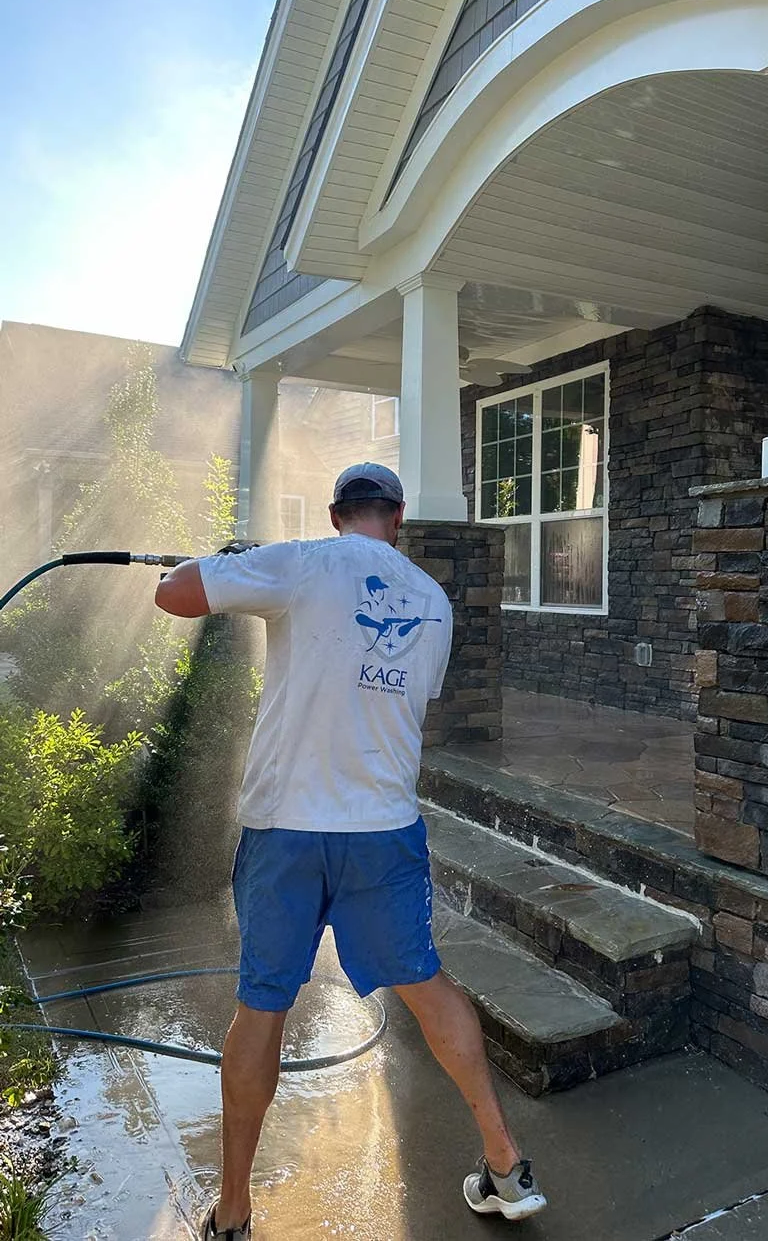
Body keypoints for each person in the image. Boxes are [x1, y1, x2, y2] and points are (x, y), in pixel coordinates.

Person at [154, 463, 547, 1239]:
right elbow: (401, 695)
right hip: (382, 831)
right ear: (396, 517)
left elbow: (173, 593)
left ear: (337, 513)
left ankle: (233, 1209)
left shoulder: (298, 560)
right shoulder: (431, 602)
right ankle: (504, 1164)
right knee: (427, 986)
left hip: (286, 831)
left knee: (262, 1003)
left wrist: (227, 564)